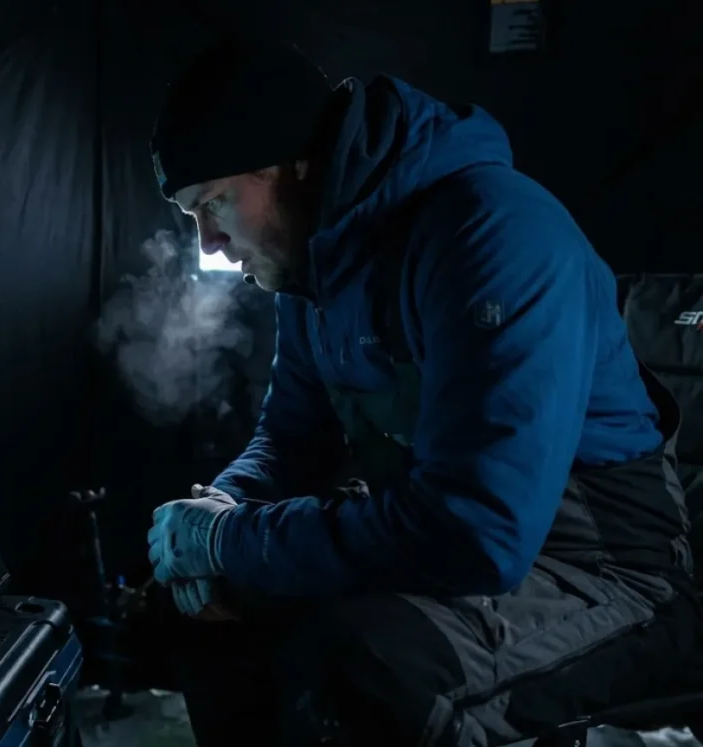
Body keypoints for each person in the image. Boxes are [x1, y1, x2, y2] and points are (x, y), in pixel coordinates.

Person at [145, 36, 703, 747]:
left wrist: (230, 539)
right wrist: (220, 507)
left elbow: (478, 533)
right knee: (206, 609)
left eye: (214, 203)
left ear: (289, 163)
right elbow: (290, 439)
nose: (209, 242)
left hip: (604, 573)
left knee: (364, 665)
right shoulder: (313, 269)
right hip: (447, 541)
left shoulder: (492, 234)